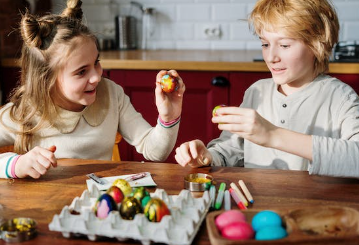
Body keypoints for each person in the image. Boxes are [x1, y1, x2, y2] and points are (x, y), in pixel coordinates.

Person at [0, 0, 185, 179]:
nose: (97, 77)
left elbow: (154, 151)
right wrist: (16, 165)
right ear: (46, 80)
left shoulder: (112, 94)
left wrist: (168, 118)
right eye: (81, 72)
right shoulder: (26, 110)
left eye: (96, 62)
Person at [175, 0, 359, 178]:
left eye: (284, 45)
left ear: (317, 44)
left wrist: (273, 135)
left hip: (314, 208)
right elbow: (231, 149)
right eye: (265, 44)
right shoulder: (257, 92)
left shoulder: (341, 98)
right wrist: (208, 156)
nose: (271, 57)